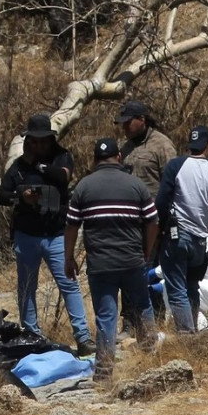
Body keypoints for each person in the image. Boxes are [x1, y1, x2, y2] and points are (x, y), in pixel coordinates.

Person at [0, 114, 95, 356]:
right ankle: (32, 336)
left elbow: (63, 176)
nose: (38, 145)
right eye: (34, 141)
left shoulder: (62, 156)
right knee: (26, 287)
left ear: (50, 140)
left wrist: (39, 166)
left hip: (56, 234)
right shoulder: (18, 166)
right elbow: (1, 196)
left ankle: (83, 337)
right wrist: (22, 197)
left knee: (69, 284)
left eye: (43, 141)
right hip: (27, 235)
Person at [64, 139, 161, 382]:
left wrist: (69, 258)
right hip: (132, 260)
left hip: (101, 265)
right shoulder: (136, 185)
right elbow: (153, 222)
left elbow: (71, 226)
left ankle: (104, 373)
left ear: (95, 159)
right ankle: (152, 362)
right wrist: (146, 251)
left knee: (106, 316)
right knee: (142, 306)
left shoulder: (84, 187)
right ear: (119, 157)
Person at [156, 126, 208, 333]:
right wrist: (207, 223)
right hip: (200, 240)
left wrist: (161, 228)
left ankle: (186, 335)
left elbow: (161, 203)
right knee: (191, 286)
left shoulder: (176, 166)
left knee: (176, 289)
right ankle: (193, 330)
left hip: (176, 235)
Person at [115, 100, 177, 333]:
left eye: (128, 122)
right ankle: (130, 322)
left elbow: (173, 184)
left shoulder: (162, 145)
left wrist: (165, 219)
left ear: (142, 119)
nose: (124, 127)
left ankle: (155, 321)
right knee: (128, 272)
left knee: (152, 272)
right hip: (129, 223)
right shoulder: (125, 148)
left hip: (155, 222)